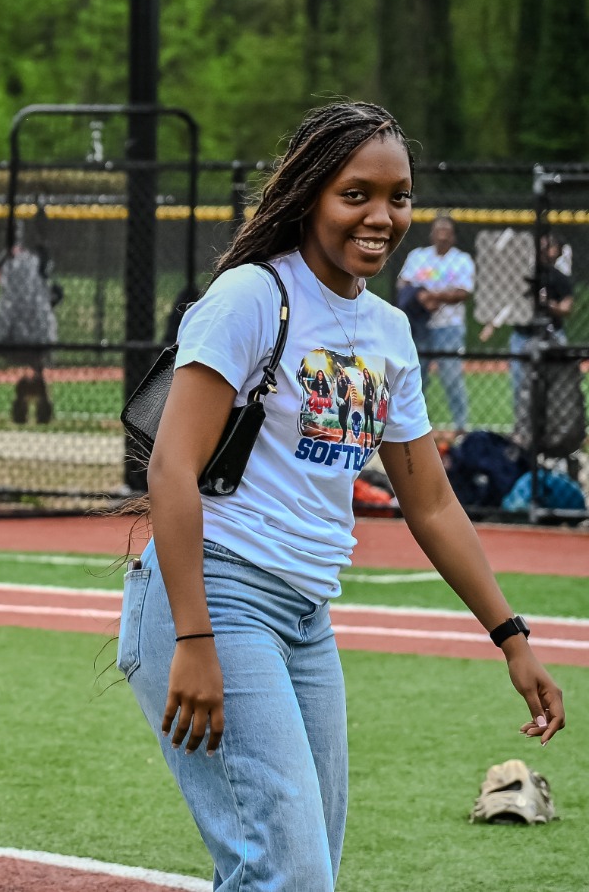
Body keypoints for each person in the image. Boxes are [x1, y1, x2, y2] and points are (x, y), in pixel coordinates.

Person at [132, 101, 566, 891]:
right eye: (356, 194)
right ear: (309, 196)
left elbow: (431, 503)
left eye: (398, 196)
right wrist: (193, 637)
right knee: (287, 871)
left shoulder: (390, 332)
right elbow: (171, 468)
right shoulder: (251, 298)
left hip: (305, 615)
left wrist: (511, 634)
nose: (382, 215)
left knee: (306, 869)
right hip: (217, 595)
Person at [480, 231, 575, 408]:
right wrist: (492, 324)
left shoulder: (560, 278)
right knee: (519, 385)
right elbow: (508, 301)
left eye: (549, 246)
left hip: (552, 335)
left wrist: (548, 305)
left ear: (557, 251)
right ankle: (522, 429)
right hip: (522, 336)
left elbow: (567, 307)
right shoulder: (524, 274)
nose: (543, 249)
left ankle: (552, 428)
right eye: (541, 245)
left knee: (556, 386)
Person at [396, 214, 474, 430]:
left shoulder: (461, 259)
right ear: (431, 234)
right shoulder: (418, 256)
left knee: (451, 377)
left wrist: (434, 297)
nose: (442, 235)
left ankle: (460, 426)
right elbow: (404, 283)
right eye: (438, 230)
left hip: (449, 327)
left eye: (447, 231)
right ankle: (418, 426)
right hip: (419, 325)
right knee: (417, 379)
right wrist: (422, 297)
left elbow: (463, 291)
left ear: (454, 237)